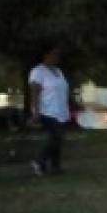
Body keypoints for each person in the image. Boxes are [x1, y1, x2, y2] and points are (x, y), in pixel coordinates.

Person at [28, 45, 69, 176]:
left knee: (57, 138)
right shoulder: (38, 71)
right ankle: (38, 161)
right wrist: (35, 111)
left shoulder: (59, 71)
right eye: (54, 54)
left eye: (58, 54)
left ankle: (55, 166)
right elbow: (34, 92)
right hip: (47, 110)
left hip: (61, 111)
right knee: (57, 136)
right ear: (46, 55)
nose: (57, 57)